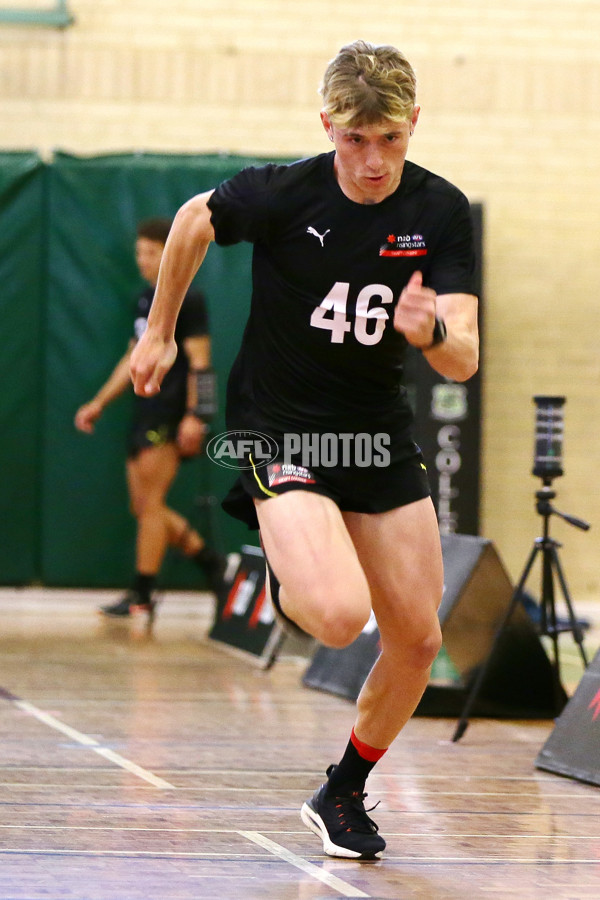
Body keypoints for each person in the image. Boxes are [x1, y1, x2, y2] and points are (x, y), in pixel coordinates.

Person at [129, 41, 479, 859]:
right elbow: (190, 221)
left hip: (377, 436)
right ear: (328, 126)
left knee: (419, 638)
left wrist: (429, 329)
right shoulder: (283, 192)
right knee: (333, 614)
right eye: (355, 139)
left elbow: (462, 356)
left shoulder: (439, 210)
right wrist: (160, 331)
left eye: (390, 138)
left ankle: (342, 791)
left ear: (414, 124)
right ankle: (285, 551)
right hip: (282, 429)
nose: (372, 160)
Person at [75, 217, 225, 620]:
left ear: (169, 252)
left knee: (152, 504)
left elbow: (201, 363)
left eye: (150, 252)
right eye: (139, 252)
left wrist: (198, 415)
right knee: (143, 507)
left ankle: (141, 595)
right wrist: (99, 402)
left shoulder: (189, 301)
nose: (142, 259)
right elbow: (132, 358)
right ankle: (212, 564)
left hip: (172, 414)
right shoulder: (144, 301)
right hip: (143, 413)